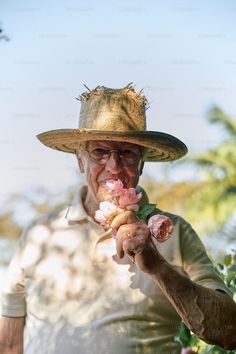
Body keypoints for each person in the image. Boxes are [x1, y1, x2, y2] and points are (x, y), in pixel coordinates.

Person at [0, 84, 236, 354]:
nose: (113, 167)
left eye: (127, 153)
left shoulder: (174, 231)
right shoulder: (39, 235)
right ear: (80, 160)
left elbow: (230, 331)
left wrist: (157, 266)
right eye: (99, 151)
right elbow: (8, 344)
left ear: (141, 164)